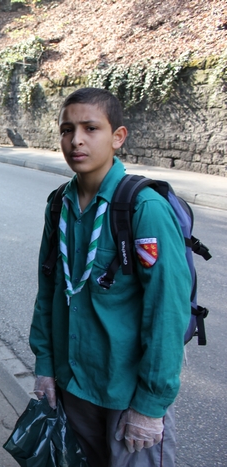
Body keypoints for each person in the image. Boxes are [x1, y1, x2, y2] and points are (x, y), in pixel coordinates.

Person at [29, 87, 191, 466]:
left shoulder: (144, 208)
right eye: (67, 130)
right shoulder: (59, 204)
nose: (76, 140)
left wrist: (150, 405)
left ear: (118, 137)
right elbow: (49, 290)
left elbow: (167, 310)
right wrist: (45, 367)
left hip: (127, 394)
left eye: (91, 128)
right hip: (75, 385)